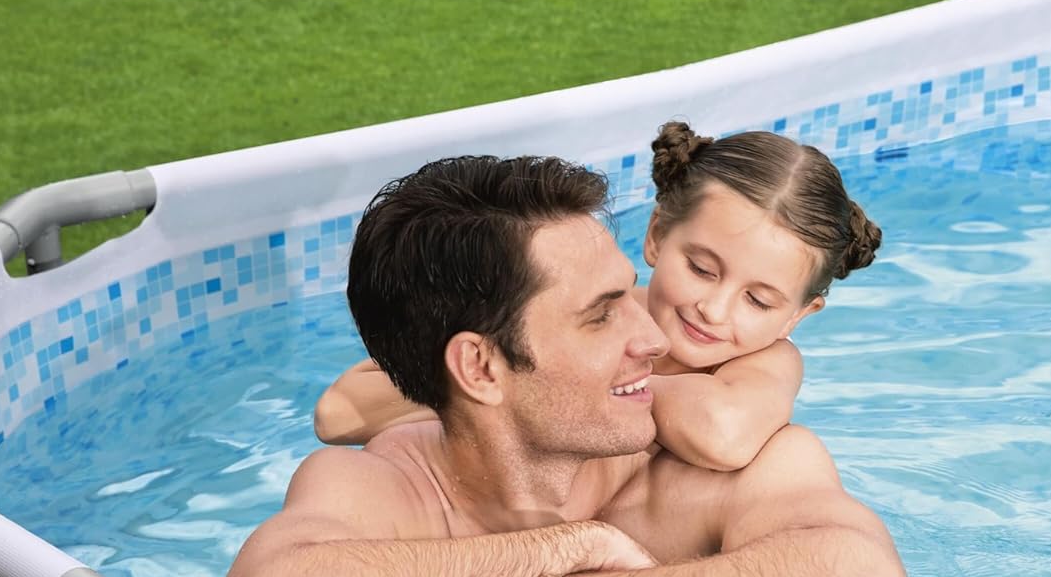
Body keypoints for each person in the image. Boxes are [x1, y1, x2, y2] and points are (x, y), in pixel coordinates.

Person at [218, 153, 920, 577]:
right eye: (603, 314)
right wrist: (564, 550)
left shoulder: (733, 477)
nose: (655, 338)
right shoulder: (382, 487)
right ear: (481, 369)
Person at [312, 122, 881, 472]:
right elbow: (339, 413)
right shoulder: (590, 303)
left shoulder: (764, 363)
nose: (716, 308)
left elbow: (724, 435)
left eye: (759, 301)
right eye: (702, 269)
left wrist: (571, 383)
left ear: (800, 315)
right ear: (657, 234)